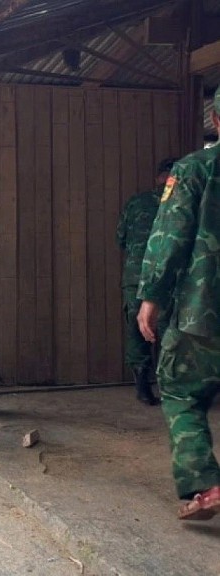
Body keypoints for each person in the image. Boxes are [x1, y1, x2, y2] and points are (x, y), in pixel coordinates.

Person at [137, 88, 220, 522]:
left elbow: (169, 240)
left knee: (180, 390)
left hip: (202, 310)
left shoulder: (194, 169)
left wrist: (150, 297)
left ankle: (204, 486)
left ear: (216, 122)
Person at [117, 158, 177, 406]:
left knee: (136, 331)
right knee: (169, 332)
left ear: (158, 177)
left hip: (135, 278)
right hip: (167, 278)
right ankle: (171, 389)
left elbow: (121, 237)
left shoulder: (135, 202)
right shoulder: (181, 203)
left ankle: (142, 387)